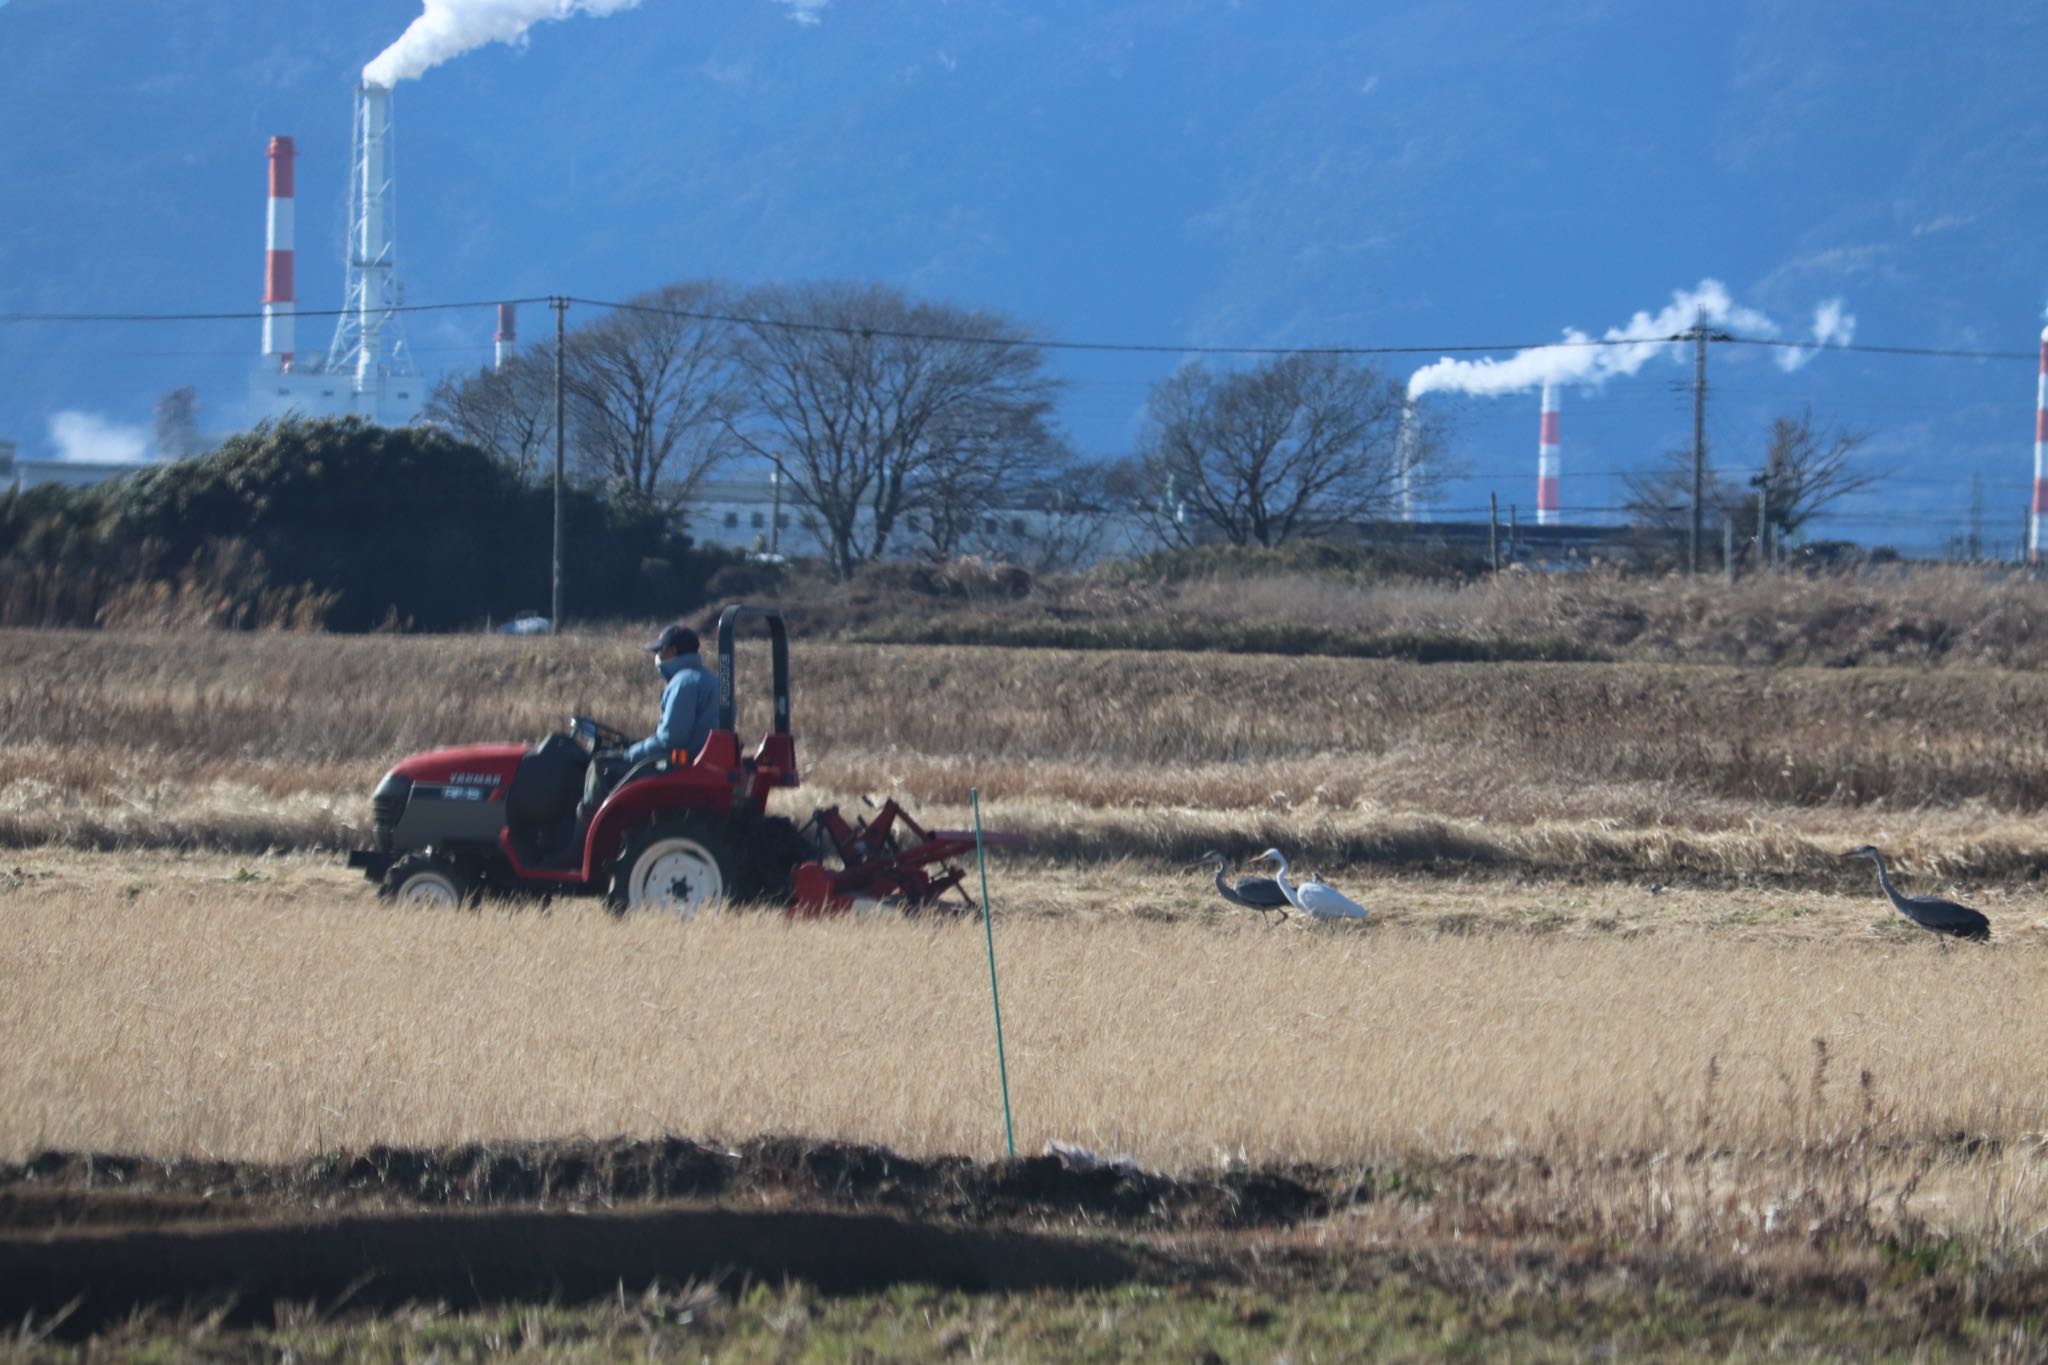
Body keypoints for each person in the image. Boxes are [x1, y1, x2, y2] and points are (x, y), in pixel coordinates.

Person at [625, 624, 720, 765]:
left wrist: (630, 753)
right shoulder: (711, 680)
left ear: (673, 651)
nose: (657, 657)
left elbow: (671, 739)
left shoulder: (684, 683)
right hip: (706, 762)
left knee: (603, 766)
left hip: (684, 766)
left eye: (659, 651)